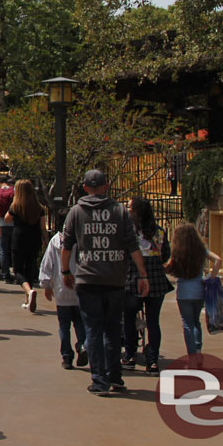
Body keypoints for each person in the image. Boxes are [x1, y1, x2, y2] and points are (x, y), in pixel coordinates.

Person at [61, 169, 150, 396]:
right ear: (106, 186)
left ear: (84, 187)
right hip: (115, 279)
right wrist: (143, 275)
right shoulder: (119, 211)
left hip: (88, 277)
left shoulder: (76, 212)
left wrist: (65, 271)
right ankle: (114, 376)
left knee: (93, 329)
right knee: (112, 330)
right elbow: (132, 245)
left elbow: (67, 245)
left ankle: (99, 379)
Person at [121, 196, 173, 373]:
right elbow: (165, 255)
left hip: (133, 280)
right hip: (157, 282)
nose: (127, 210)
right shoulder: (158, 232)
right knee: (153, 322)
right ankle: (153, 360)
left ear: (136, 211)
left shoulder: (129, 233)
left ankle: (129, 355)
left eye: (129, 207)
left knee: (128, 317)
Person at [165, 223, 222, 369]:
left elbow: (168, 268)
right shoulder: (201, 250)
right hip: (199, 290)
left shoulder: (177, 252)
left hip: (184, 292)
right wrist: (211, 277)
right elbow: (218, 260)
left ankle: (191, 358)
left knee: (187, 323)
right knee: (196, 322)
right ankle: (197, 352)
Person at [39, 228, 88, 370]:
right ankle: (82, 345)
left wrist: (46, 284)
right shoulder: (80, 238)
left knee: (64, 326)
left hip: (62, 289)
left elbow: (47, 263)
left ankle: (67, 356)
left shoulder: (55, 241)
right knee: (80, 322)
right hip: (79, 288)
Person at [8, 179, 47, 313]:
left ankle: (29, 291)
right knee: (30, 267)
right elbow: (43, 227)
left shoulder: (15, 206)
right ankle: (28, 299)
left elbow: (7, 218)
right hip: (34, 238)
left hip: (19, 239)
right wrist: (45, 242)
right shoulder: (39, 207)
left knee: (18, 270)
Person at [0, 175, 16, 283]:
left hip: (1, 224)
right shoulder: (14, 191)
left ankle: (5, 275)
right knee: (14, 250)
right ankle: (17, 273)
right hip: (14, 224)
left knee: (3, 251)